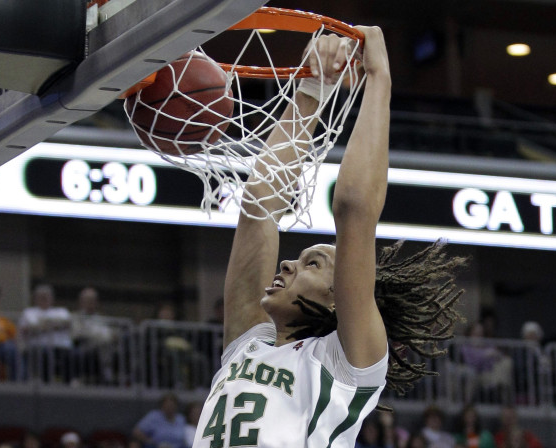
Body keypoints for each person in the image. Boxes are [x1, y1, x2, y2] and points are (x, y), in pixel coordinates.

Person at [191, 28, 465, 448]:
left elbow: (354, 210)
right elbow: (260, 204)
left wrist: (379, 79)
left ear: (342, 297)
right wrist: (313, 89)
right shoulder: (251, 343)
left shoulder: (346, 361)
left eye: (310, 263)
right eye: (306, 260)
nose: (286, 264)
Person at [19, 284, 73, 382]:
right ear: (35, 298)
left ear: (52, 298)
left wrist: (40, 326)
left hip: (61, 347)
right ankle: (46, 383)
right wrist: (54, 325)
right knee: (45, 354)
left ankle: (68, 383)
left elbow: (67, 323)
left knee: (73, 354)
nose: (44, 299)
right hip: (37, 347)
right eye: (41, 297)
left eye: (47, 296)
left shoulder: (61, 311)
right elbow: (25, 329)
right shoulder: (29, 312)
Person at [70, 287, 115, 385]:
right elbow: (77, 333)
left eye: (92, 301)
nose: (90, 303)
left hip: (100, 348)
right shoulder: (75, 317)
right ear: (81, 302)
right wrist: (96, 335)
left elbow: (109, 334)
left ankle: (106, 372)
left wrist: (93, 334)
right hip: (82, 346)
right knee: (102, 342)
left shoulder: (101, 318)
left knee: (105, 344)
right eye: (87, 301)